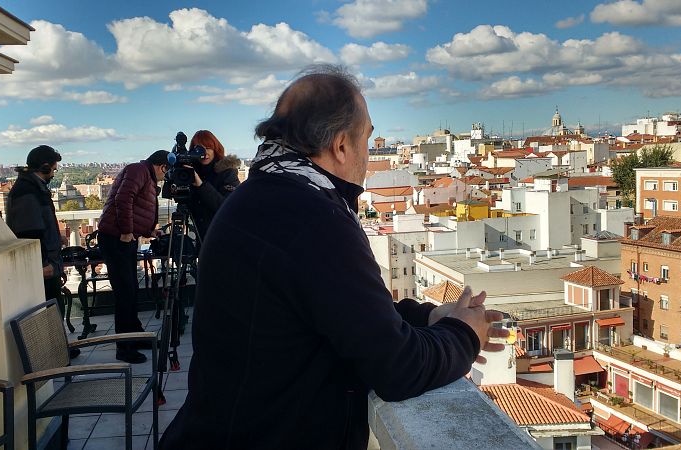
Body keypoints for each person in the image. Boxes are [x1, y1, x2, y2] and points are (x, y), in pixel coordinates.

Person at [159, 65, 508, 449]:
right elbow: (398, 367)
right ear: (341, 146)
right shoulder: (314, 217)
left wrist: (428, 317)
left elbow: (339, 309)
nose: (369, 154)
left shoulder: (258, 196)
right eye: (367, 140)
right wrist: (465, 334)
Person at [6, 145, 79, 358]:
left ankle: (59, 349)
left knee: (53, 305)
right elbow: (30, 230)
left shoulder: (32, 187)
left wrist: (57, 238)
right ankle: (56, 353)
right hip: (42, 264)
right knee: (48, 307)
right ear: (45, 167)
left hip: (46, 258)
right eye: (54, 169)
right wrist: (42, 263)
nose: (54, 173)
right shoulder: (28, 191)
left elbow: (40, 223)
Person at [97, 150, 169, 364]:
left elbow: (136, 206)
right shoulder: (138, 170)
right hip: (116, 238)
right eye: (167, 171)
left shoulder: (143, 174)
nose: (166, 176)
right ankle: (124, 347)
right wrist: (127, 231)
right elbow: (124, 198)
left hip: (123, 238)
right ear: (162, 166)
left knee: (131, 290)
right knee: (124, 292)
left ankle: (135, 337)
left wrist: (149, 231)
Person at [185, 130, 240, 242]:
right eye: (199, 149)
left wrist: (201, 185)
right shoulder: (190, 173)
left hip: (223, 238)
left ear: (215, 149)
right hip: (199, 237)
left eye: (208, 148)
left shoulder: (227, 172)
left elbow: (227, 208)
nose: (204, 153)